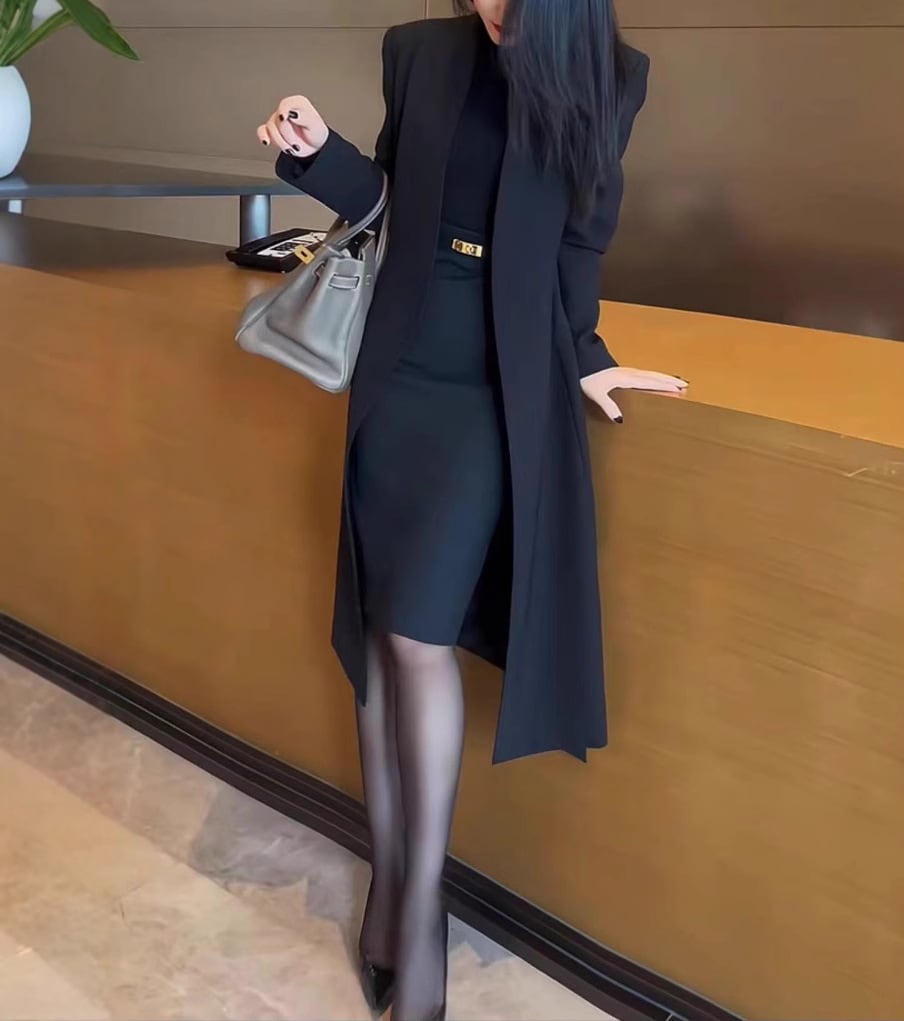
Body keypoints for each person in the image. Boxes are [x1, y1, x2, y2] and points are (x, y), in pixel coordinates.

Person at [257, 1, 685, 1017]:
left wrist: (585, 354)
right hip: (400, 363)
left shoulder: (609, 76)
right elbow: (393, 198)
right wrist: (317, 154)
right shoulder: (419, 50)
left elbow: (581, 240)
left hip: (496, 386)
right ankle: (391, 881)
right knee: (378, 626)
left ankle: (421, 911)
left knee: (417, 634)